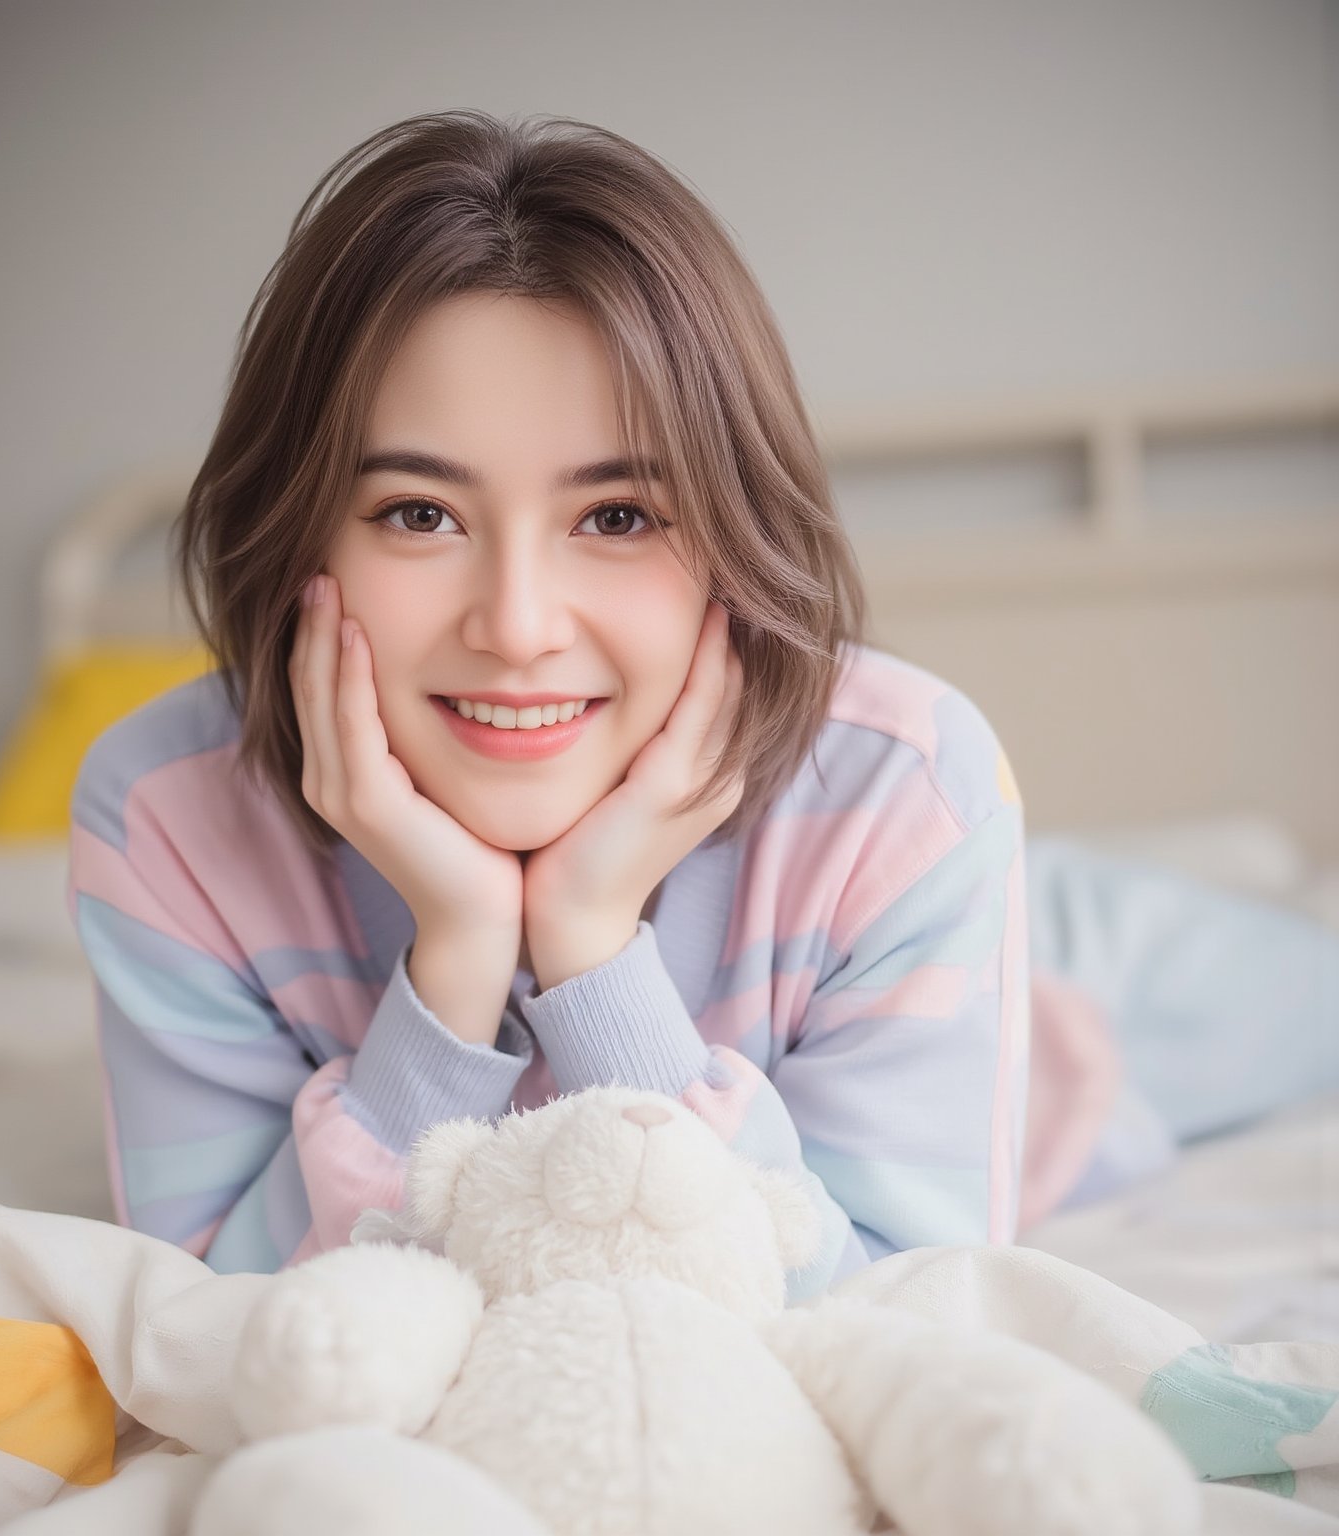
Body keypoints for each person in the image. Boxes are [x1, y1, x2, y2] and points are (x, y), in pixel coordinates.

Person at [70, 110, 1335, 1300]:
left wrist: (592, 955)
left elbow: (888, 1315)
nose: (516, 627)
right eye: (420, 514)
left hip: (1019, 993)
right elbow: (207, 1321)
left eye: (616, 516)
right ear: (300, 536)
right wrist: (457, 965)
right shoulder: (167, 820)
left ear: (732, 536)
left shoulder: (908, 798)